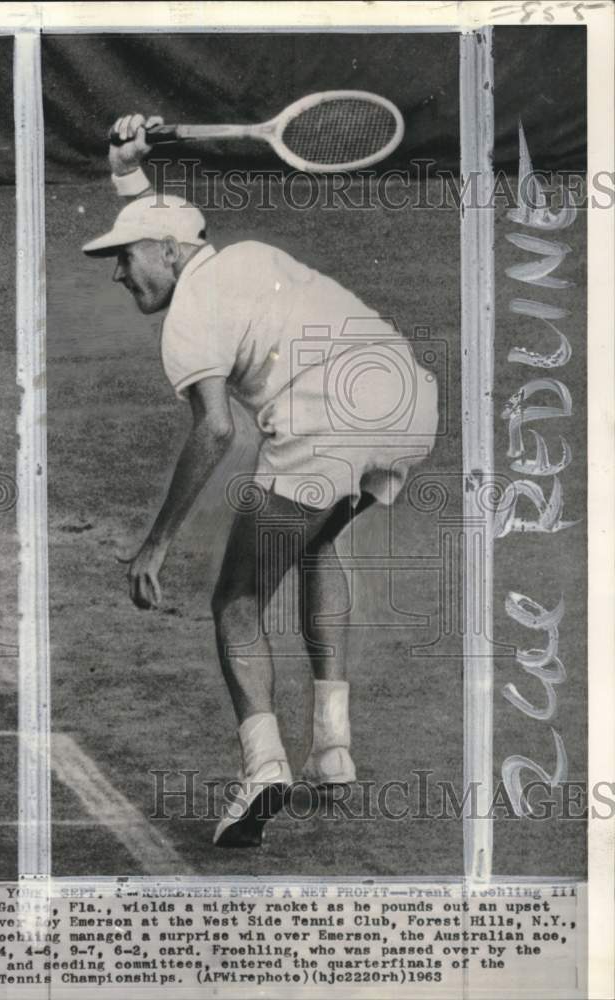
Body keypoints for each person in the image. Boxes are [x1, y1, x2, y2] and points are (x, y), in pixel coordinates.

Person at [83, 113, 438, 847]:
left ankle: (263, 766)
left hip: (324, 426)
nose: (117, 273)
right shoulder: (245, 255)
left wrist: (157, 542)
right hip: (408, 400)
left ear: (169, 252)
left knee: (236, 600)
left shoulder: (185, 320)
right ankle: (332, 748)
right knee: (316, 542)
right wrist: (126, 172)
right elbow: (161, 224)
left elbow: (215, 429)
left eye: (124, 257)